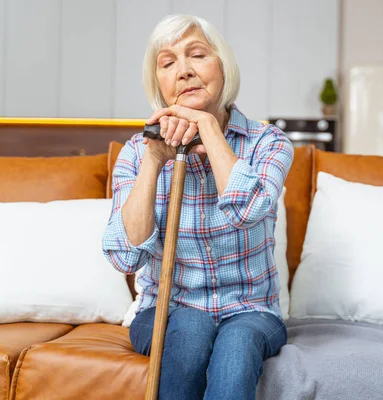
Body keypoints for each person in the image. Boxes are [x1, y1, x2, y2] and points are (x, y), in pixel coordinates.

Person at [102, 14, 294, 400]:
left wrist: (207, 125)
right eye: (168, 63)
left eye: (197, 55)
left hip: (251, 310)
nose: (185, 71)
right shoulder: (138, 153)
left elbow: (246, 209)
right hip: (167, 310)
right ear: (159, 83)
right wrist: (155, 162)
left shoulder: (268, 143)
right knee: (191, 325)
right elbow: (123, 256)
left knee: (238, 345)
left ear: (223, 65)